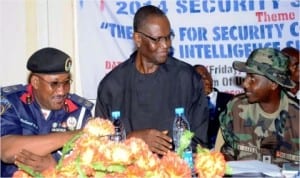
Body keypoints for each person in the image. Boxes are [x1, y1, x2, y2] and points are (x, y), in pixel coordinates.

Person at [94, 5, 209, 156]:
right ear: (138, 39)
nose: (166, 45)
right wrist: (132, 140)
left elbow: (200, 143)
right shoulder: (112, 85)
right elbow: (99, 146)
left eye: (168, 37)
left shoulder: (187, 79)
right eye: (158, 39)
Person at [0, 47, 94, 177]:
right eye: (54, 84)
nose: (62, 91)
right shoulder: (11, 101)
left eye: (66, 83)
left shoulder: (80, 112)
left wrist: (55, 168)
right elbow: (6, 150)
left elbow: (91, 167)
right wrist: (74, 135)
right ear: (35, 82)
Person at [219, 48, 299, 166]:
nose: (245, 83)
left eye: (252, 78)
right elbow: (229, 151)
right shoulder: (236, 108)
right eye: (246, 76)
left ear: (273, 83)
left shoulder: (297, 116)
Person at [194, 64, 233, 149]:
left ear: (211, 77)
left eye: (205, 76)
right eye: (199, 78)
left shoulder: (230, 100)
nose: (204, 80)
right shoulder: (190, 104)